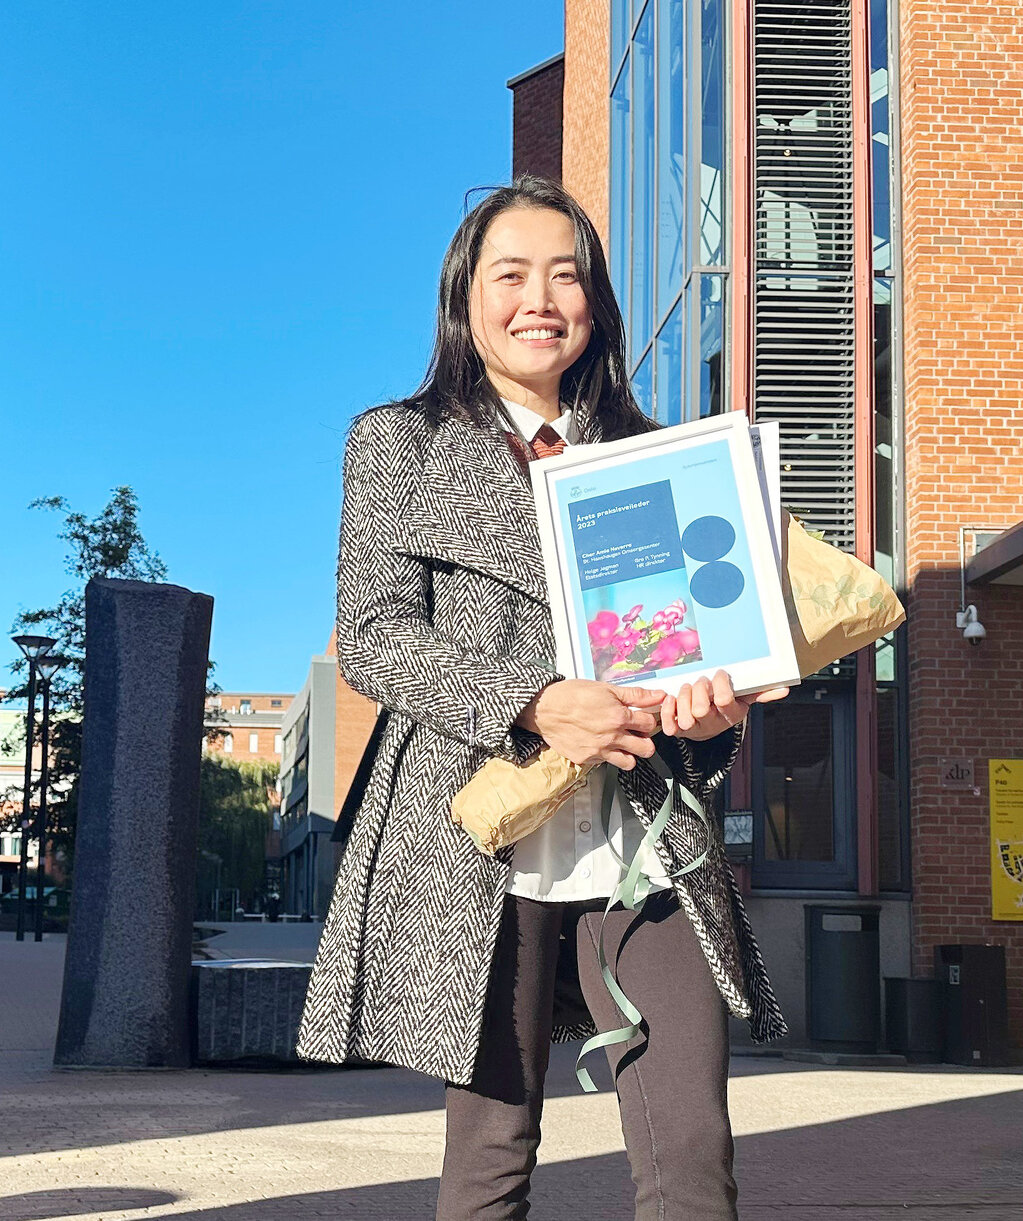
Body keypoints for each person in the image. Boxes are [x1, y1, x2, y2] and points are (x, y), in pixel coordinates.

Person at [295, 176, 789, 1221]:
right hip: (483, 833)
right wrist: (532, 700)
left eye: (565, 277)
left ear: (594, 306)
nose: (539, 300)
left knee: (692, 1153)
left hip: (642, 840)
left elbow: (690, 662)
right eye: (509, 274)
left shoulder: (658, 459)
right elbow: (375, 635)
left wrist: (710, 718)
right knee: (491, 1151)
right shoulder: (398, 442)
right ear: (463, 298)